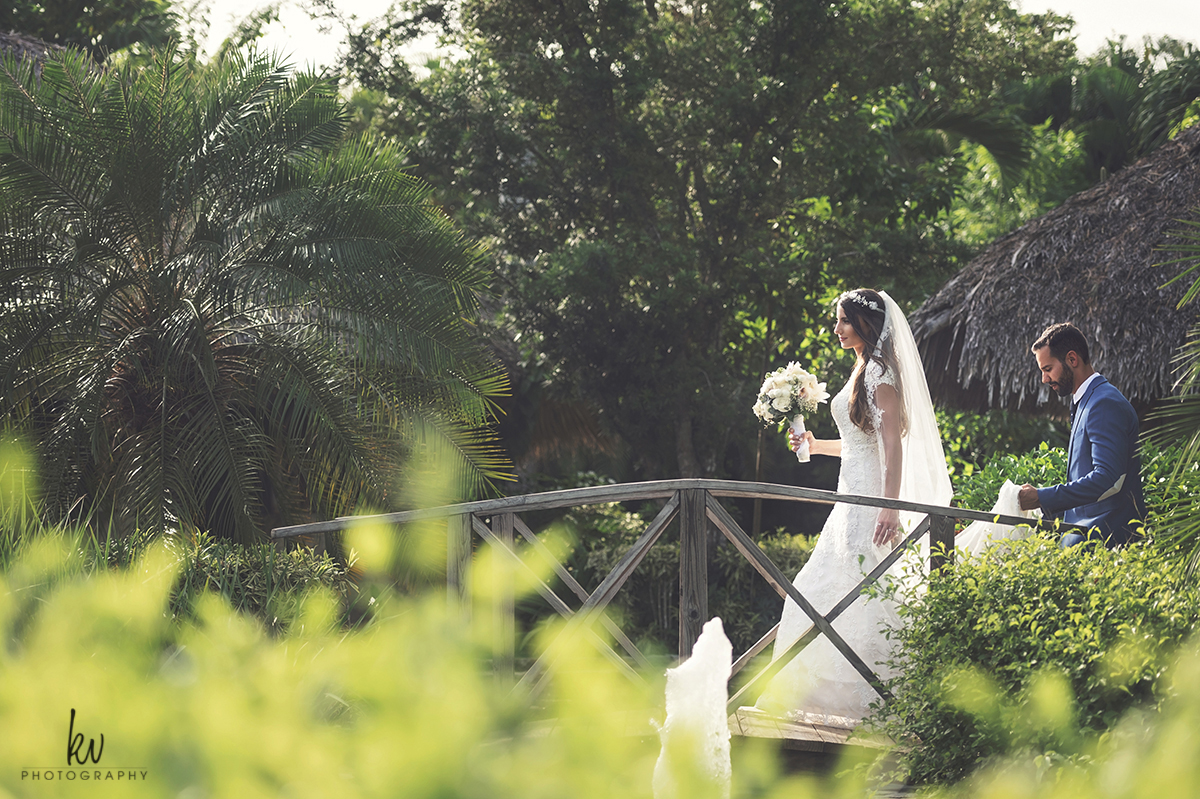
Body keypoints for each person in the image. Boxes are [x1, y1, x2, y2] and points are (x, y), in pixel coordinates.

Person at [754, 288, 952, 725]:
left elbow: (892, 449)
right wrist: (814, 444)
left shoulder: (881, 373)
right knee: (833, 593)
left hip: (871, 503)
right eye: (838, 321)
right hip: (849, 500)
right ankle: (824, 701)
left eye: (844, 321)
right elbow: (860, 445)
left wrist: (889, 507)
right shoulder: (863, 368)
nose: (837, 329)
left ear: (865, 324)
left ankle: (889, 704)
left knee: (862, 593)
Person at [1017, 323, 1145, 548]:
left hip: (1107, 546)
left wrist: (1043, 497)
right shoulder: (1086, 401)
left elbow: (1109, 479)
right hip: (1087, 543)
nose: (1044, 379)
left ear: (1072, 359)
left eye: (1048, 369)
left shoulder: (1103, 403)